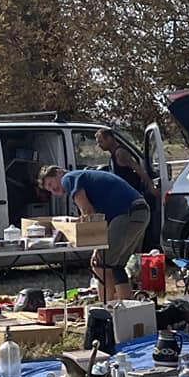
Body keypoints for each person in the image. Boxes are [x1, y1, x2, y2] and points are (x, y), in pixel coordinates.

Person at [38, 165, 150, 301]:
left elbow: (88, 212)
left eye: (51, 184)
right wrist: (96, 245)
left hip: (127, 214)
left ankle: (107, 307)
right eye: (49, 189)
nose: (53, 190)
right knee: (116, 266)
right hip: (140, 211)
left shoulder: (68, 178)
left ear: (59, 172)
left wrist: (95, 244)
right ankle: (127, 306)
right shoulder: (82, 177)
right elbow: (95, 216)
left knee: (100, 265)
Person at [95, 127, 158, 200]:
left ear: (109, 138)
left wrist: (151, 187)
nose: (99, 145)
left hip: (129, 195)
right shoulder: (114, 154)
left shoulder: (120, 153)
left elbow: (139, 169)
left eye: (101, 142)